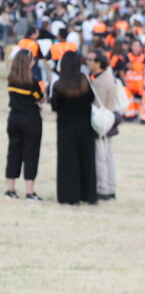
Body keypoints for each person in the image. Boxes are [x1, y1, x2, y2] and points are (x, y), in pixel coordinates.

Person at [50, 50, 96, 206]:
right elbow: (91, 99)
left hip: (65, 127)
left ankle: (70, 196)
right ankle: (89, 195)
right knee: (87, 160)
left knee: (67, 163)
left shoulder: (58, 86)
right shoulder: (84, 82)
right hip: (85, 126)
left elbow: (55, 105)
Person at [5, 49, 44, 201]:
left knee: (13, 153)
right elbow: (40, 99)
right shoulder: (32, 82)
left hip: (14, 118)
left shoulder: (11, 79)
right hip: (31, 120)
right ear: (27, 63)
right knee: (31, 154)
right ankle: (30, 192)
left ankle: (10, 189)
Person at [86, 50, 123, 201]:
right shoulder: (109, 78)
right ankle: (110, 186)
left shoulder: (100, 82)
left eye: (90, 59)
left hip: (102, 122)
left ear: (98, 63)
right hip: (109, 120)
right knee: (108, 156)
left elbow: (96, 104)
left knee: (101, 157)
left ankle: (103, 188)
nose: (87, 62)